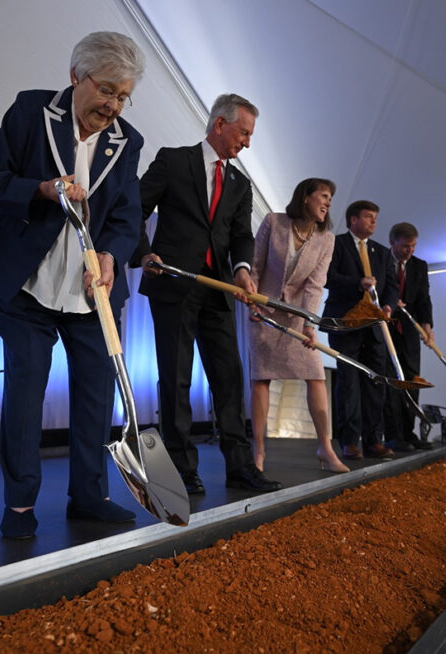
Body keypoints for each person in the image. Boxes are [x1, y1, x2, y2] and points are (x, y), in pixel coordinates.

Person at [0, 32, 146, 538]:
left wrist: (113, 255)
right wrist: (42, 190)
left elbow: (128, 216)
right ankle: (19, 505)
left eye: (123, 96)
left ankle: (89, 496)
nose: (112, 105)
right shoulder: (30, 112)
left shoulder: (127, 141)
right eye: (106, 90)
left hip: (90, 294)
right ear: (76, 76)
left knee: (97, 390)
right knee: (27, 386)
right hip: (25, 285)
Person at [132, 93, 282, 494]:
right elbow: (135, 209)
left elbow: (239, 236)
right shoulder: (173, 160)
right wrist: (143, 253)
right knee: (176, 378)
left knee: (229, 377)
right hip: (173, 284)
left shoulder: (239, 183)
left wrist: (244, 270)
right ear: (220, 124)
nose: (247, 143)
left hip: (216, 292)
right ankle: (182, 469)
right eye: (244, 133)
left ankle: (239, 466)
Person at [248, 178, 348, 474]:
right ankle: (259, 450)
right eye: (325, 196)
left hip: (296, 315)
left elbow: (315, 285)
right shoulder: (274, 222)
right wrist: (253, 301)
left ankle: (325, 447)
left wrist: (308, 323)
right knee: (261, 379)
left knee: (316, 375)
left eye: (331, 199)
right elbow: (255, 265)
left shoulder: (326, 238)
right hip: (262, 310)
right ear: (306, 196)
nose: (328, 203)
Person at [322, 200, 399, 460]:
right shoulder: (336, 244)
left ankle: (374, 441)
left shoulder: (383, 252)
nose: (374, 222)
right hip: (346, 323)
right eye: (368, 216)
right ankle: (350, 441)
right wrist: (358, 283)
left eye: (375, 217)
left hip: (375, 327)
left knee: (376, 383)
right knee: (349, 383)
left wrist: (388, 306)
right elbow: (327, 277)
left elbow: (392, 286)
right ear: (353, 219)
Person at [383, 222, 435, 451]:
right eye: (405, 246)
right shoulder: (381, 260)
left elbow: (424, 298)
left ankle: (409, 432)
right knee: (393, 383)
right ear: (393, 242)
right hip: (388, 331)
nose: (410, 251)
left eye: (413, 246)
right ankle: (393, 435)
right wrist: (392, 302)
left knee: (412, 382)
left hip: (411, 334)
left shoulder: (420, 266)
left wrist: (427, 326)